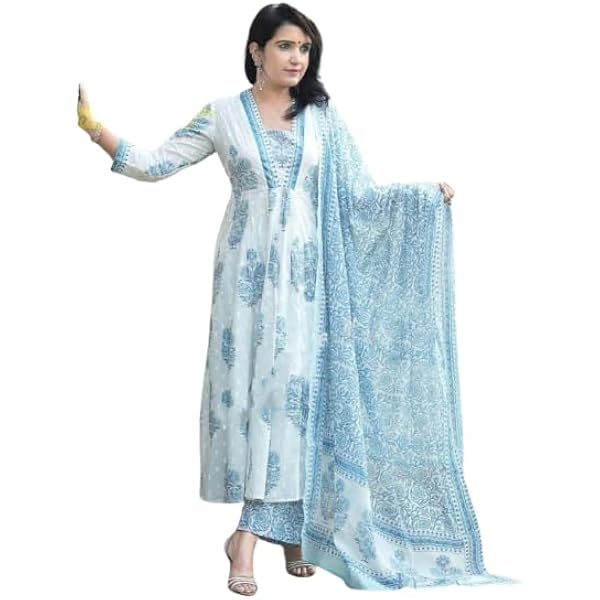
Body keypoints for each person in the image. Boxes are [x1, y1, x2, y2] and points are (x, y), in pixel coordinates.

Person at [77, 3, 519, 596]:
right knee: (252, 399)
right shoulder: (223, 113)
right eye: (285, 46)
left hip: (309, 285)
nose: (297, 59)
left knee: (294, 403)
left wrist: (419, 198)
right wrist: (93, 128)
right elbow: (155, 164)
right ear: (256, 51)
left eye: (305, 49)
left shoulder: (322, 118)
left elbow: (358, 196)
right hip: (244, 280)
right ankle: (269, 535)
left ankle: (261, 536)